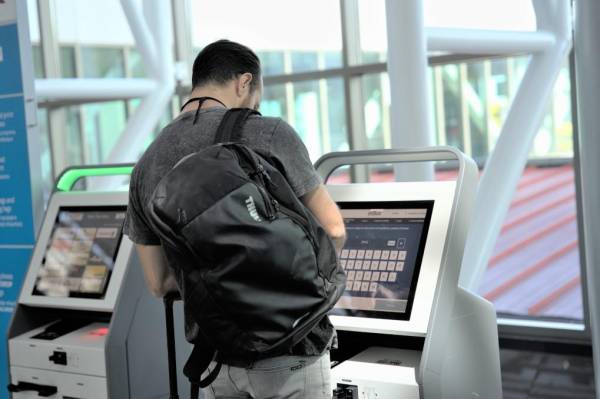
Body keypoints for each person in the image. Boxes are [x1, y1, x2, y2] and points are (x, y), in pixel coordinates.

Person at [124, 39, 346, 399]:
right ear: (244, 83)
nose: (255, 106)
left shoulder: (147, 163)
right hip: (293, 352)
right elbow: (333, 229)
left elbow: (159, 282)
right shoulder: (269, 133)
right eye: (256, 96)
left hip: (218, 362)